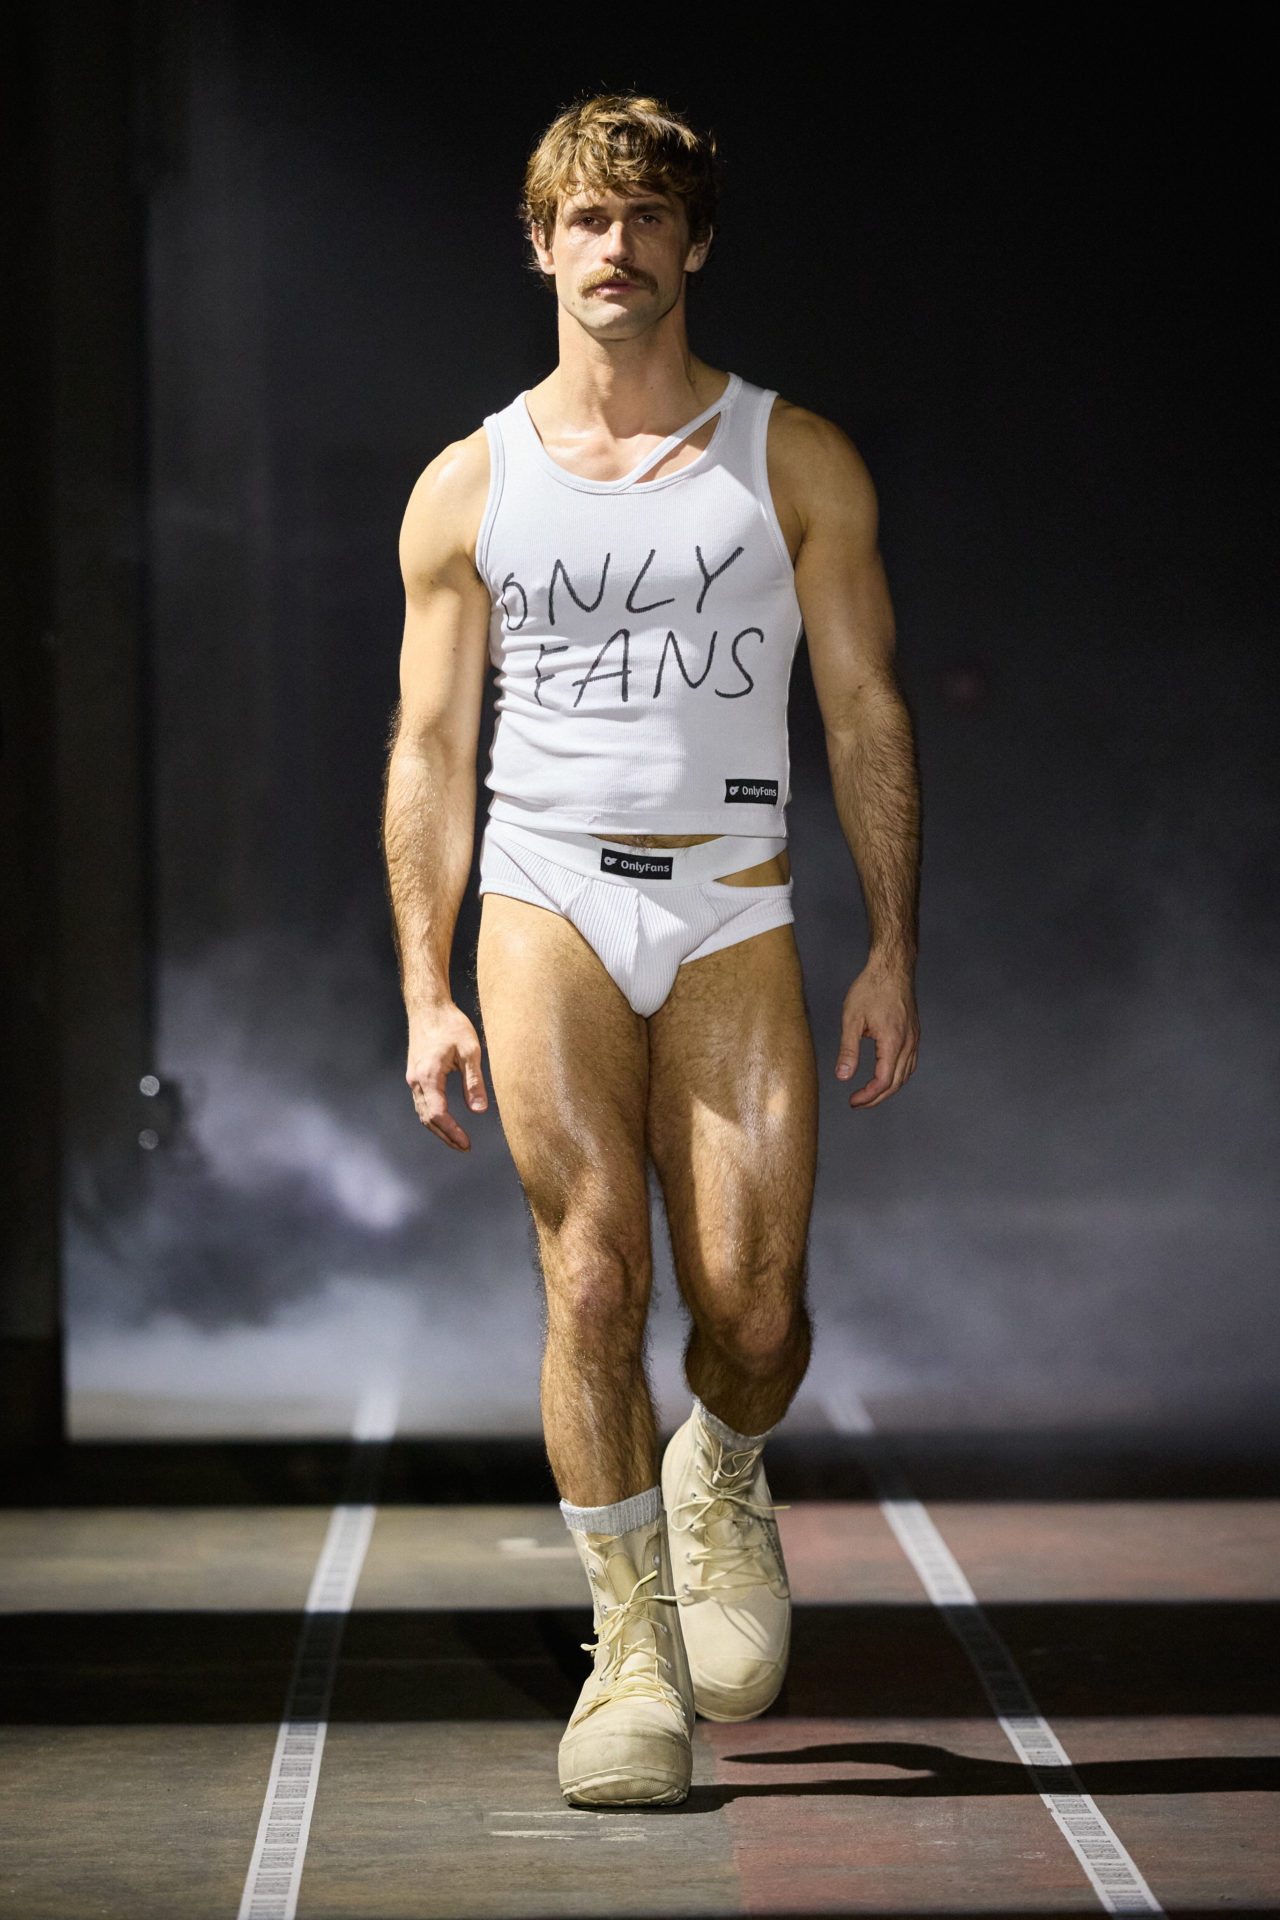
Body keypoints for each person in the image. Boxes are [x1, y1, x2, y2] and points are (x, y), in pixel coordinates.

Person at [382, 94, 920, 1808]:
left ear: (695, 244)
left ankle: (724, 1469)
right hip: (543, 898)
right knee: (595, 1275)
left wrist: (892, 944)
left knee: (753, 1308)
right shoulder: (471, 485)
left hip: (732, 902)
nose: (617, 246)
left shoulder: (793, 459)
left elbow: (863, 707)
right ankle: (629, 1655)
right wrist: (427, 986)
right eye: (587, 219)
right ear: (540, 245)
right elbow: (429, 747)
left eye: (649, 217)